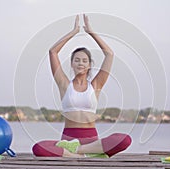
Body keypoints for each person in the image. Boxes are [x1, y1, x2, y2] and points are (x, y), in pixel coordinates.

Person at [32, 14, 131, 158]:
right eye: (77, 60)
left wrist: (91, 32)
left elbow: (109, 54)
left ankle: (77, 152)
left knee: (124, 140)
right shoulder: (64, 84)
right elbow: (53, 52)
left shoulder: (96, 84)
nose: (80, 63)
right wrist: (73, 32)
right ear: (72, 64)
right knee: (39, 148)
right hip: (68, 140)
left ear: (89, 65)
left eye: (84, 61)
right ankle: (82, 156)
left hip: (92, 141)